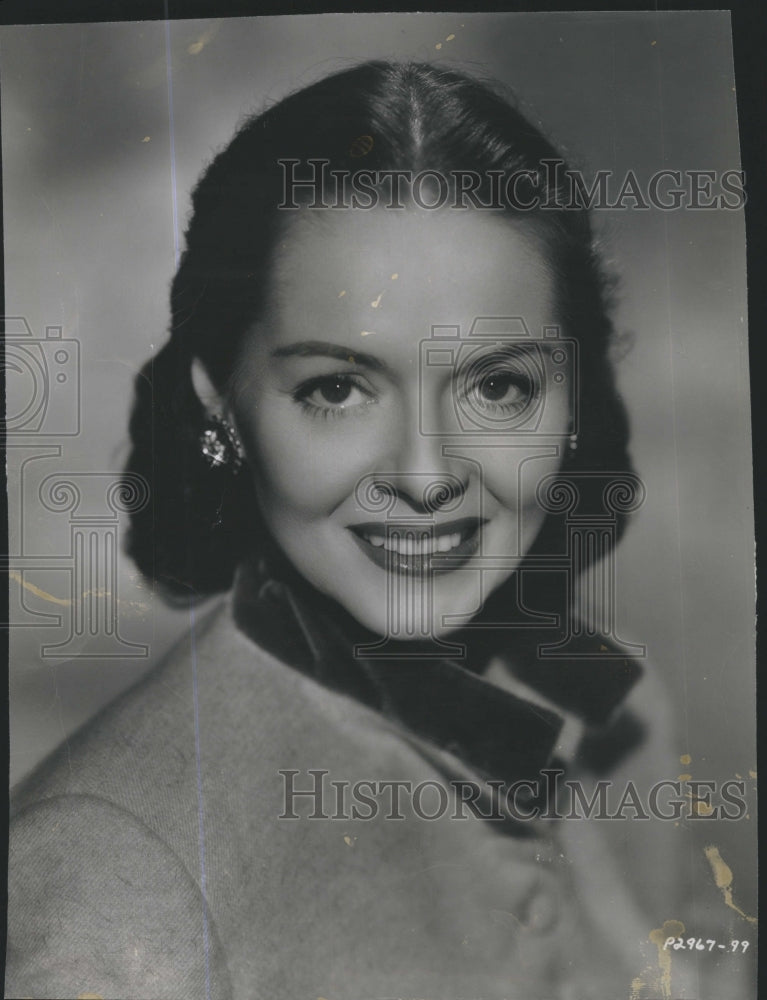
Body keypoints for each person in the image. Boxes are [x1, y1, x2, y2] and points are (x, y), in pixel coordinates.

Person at [5, 60, 729, 1000]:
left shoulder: (621, 718)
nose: (425, 478)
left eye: (498, 385)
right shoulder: (108, 887)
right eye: (336, 390)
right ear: (221, 406)